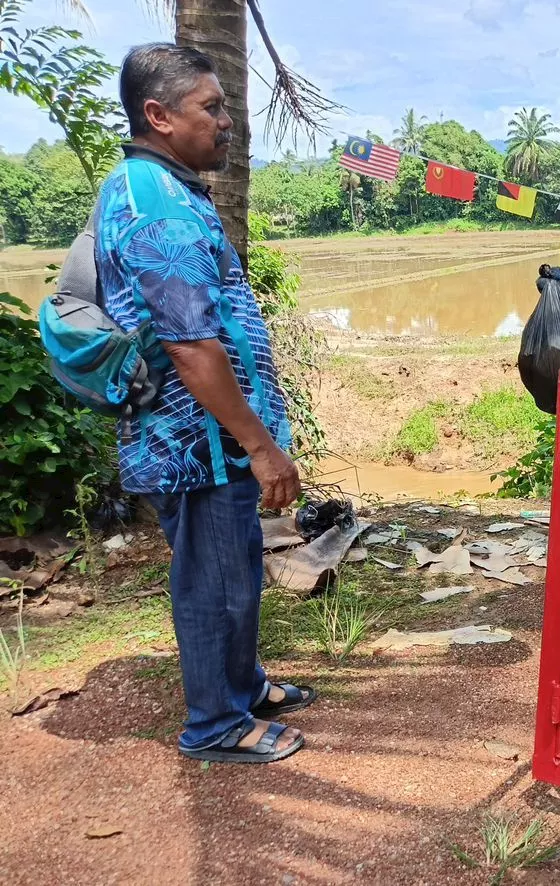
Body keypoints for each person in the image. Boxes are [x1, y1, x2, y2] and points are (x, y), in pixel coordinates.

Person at [97, 43, 311, 763]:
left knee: (236, 566)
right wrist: (260, 443)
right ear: (158, 115)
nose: (227, 123)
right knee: (212, 579)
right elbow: (191, 348)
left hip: (209, 435)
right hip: (199, 441)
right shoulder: (158, 208)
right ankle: (215, 725)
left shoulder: (167, 188)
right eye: (211, 108)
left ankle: (242, 688)